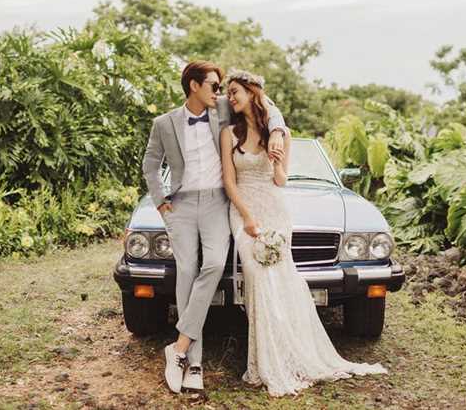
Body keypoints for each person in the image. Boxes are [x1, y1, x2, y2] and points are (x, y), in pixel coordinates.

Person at [220, 69, 387, 397]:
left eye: (235, 91)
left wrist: (276, 161)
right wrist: (248, 218)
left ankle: (287, 352)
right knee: (256, 278)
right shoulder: (229, 133)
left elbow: (281, 181)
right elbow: (228, 181)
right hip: (243, 211)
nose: (230, 97)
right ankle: (264, 360)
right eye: (228, 92)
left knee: (282, 281)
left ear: (252, 92)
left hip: (275, 211)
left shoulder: (279, 134)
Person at [142, 61, 288, 393]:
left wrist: (278, 131)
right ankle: (193, 363)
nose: (220, 92)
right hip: (180, 205)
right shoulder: (163, 123)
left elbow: (266, 103)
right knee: (186, 271)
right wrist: (161, 202)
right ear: (194, 86)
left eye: (221, 87)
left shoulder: (221, 107)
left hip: (215, 203)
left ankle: (178, 348)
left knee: (213, 264)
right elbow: (150, 165)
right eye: (213, 85)